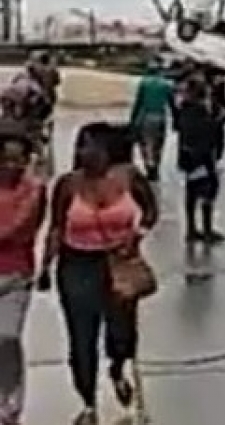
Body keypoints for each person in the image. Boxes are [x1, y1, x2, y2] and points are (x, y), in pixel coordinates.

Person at [37, 123, 157, 425]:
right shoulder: (67, 185)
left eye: (91, 146)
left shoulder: (129, 178)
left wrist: (138, 234)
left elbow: (151, 210)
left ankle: (118, 368)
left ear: (107, 151)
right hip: (76, 264)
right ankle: (88, 402)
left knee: (121, 330)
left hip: (118, 262)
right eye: (81, 146)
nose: (84, 152)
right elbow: (56, 227)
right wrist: (45, 267)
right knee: (81, 336)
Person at [0, 123, 45, 425]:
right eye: (5, 159)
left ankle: (10, 404)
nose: (11, 165)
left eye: (18, 159)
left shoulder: (34, 191)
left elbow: (20, 228)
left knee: (7, 336)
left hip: (15, 273)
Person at [174, 79, 224, 244]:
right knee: (208, 191)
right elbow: (210, 130)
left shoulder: (184, 111)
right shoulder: (198, 111)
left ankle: (192, 229)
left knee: (192, 192)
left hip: (189, 157)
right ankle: (206, 230)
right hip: (202, 157)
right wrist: (222, 118)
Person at [128, 60, 177, 182]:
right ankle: (156, 168)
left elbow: (138, 103)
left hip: (146, 116)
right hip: (160, 116)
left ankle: (149, 168)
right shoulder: (166, 84)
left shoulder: (144, 83)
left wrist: (132, 120)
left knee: (145, 143)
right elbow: (172, 105)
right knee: (159, 144)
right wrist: (177, 119)